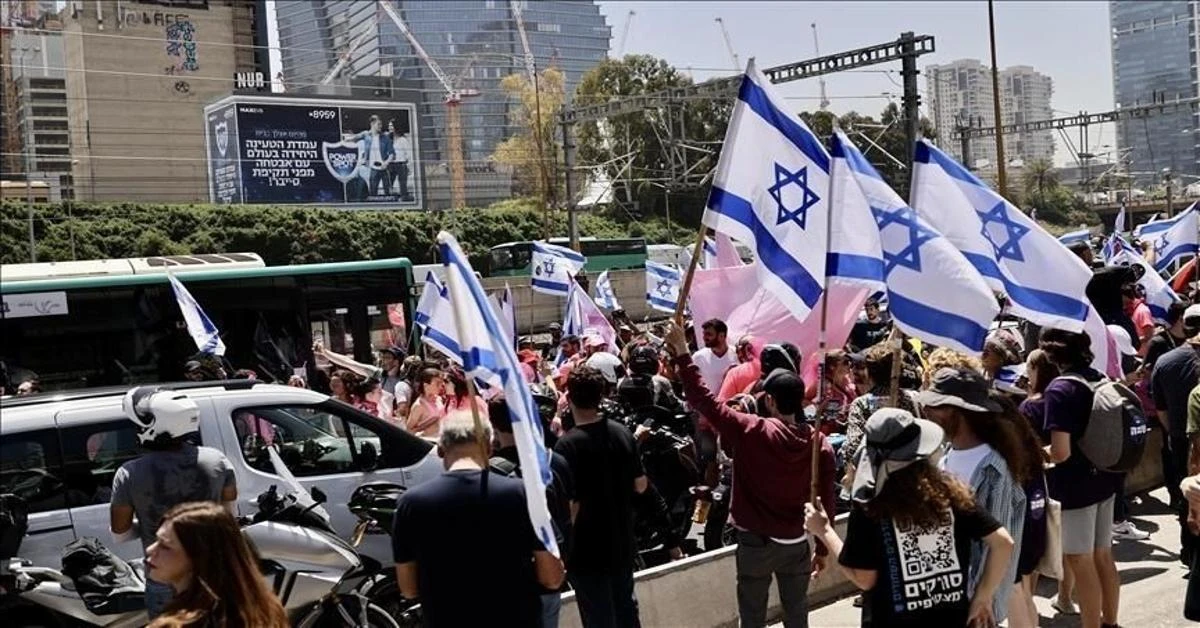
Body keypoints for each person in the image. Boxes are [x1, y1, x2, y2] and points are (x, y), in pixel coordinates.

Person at [667, 322, 836, 628]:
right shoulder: (819, 443)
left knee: (752, 616)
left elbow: (705, 400)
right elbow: (827, 501)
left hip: (755, 544)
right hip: (797, 543)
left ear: (769, 400)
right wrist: (823, 548)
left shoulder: (751, 430)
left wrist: (681, 351)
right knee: (797, 613)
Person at [804, 408, 1015, 628]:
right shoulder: (950, 491)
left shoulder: (870, 506)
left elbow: (864, 578)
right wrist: (983, 596)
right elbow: (1003, 543)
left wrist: (825, 530)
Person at [393, 412, 564, 628]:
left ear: (440, 449)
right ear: (490, 448)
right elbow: (552, 577)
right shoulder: (524, 494)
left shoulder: (410, 504)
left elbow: (408, 589)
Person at [110, 389, 237, 619]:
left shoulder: (128, 473)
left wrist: (153, 526)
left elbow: (120, 532)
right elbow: (229, 519)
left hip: (164, 579)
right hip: (215, 574)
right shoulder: (218, 461)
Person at [919, 367, 1028, 624]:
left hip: (975, 605)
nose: (927, 412)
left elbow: (1000, 545)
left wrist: (982, 598)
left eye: (935, 406)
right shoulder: (944, 455)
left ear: (957, 412)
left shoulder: (994, 469)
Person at [553, 365, 651, 628]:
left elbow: (570, 507)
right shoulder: (621, 432)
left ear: (570, 398)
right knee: (627, 610)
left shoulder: (565, 446)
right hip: (621, 541)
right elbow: (640, 485)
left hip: (586, 551)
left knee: (598, 617)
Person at [1038, 328, 1122, 628]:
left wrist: (1033, 456)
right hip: (1106, 477)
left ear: (1051, 356)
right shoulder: (1098, 376)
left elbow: (1060, 452)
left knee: (1079, 560)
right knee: (1103, 556)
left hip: (1075, 487)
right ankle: (1110, 622)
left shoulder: (1060, 390)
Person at [488, 397, 577, 628]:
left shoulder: (486, 474)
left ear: (494, 425)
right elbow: (570, 513)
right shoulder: (555, 462)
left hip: (508, 584)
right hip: (551, 579)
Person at [145, 502, 288, 628]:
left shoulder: (175, 625)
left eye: (165, 546)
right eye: (157, 541)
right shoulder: (267, 612)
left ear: (199, 558)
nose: (150, 550)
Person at [1152, 306, 1200, 570]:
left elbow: (1160, 408)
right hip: (1187, 441)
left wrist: (1173, 434)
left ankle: (1189, 553)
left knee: (1187, 496)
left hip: (1181, 441)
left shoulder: (1166, 362)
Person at [692, 319, 739, 395]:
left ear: (721, 336)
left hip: (732, 404)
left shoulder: (737, 354)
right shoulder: (698, 357)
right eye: (704, 334)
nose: (704, 338)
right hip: (709, 405)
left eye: (709, 334)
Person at [354, 114, 393, 196]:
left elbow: (392, 154)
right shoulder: (366, 135)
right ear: (372, 124)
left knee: (387, 192)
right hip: (373, 168)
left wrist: (386, 163)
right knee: (373, 191)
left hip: (384, 168)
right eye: (378, 124)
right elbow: (353, 138)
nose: (380, 126)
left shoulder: (385, 137)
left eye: (381, 124)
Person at [407, 367, 447, 437]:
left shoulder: (439, 399)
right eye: (437, 383)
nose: (441, 387)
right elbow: (409, 430)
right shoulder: (419, 405)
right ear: (426, 385)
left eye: (442, 383)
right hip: (428, 442)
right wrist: (429, 424)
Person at [388, 121, 414, 201]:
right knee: (389, 183)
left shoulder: (403, 140)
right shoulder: (389, 139)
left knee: (403, 185)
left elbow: (409, 153)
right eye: (389, 126)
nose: (390, 127)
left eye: (391, 126)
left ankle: (404, 199)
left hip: (401, 164)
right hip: (391, 164)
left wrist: (409, 166)